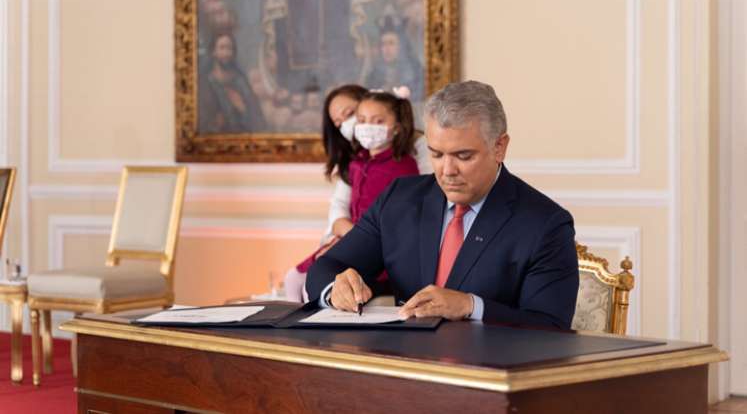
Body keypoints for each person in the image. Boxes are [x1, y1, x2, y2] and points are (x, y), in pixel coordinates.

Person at [306, 80, 579, 329]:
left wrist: (471, 306)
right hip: (403, 368)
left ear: (499, 147)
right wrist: (336, 288)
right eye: (436, 154)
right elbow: (328, 266)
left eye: (463, 155)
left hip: (487, 375)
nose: (447, 170)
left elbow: (550, 327)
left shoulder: (545, 224)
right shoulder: (399, 199)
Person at [284, 88, 422, 302]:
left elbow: (403, 221)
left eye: (377, 121)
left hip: (377, 248)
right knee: (294, 278)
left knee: (315, 288)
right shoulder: (357, 162)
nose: (367, 127)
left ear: (396, 127)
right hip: (349, 239)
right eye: (361, 120)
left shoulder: (405, 165)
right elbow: (339, 207)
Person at [198, 33, 267, 133]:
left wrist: (242, 107)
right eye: (222, 48)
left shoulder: (241, 81)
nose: (226, 53)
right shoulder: (206, 83)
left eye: (229, 48)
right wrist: (215, 123)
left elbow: (259, 122)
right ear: (214, 52)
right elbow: (201, 124)